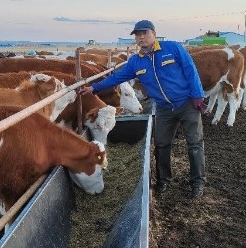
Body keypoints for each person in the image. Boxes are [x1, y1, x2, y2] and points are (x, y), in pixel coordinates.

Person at [79, 20, 207, 198]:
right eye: (138, 35)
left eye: (145, 33)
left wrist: (198, 95)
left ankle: (198, 182)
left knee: (194, 143)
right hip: (163, 108)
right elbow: (117, 77)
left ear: (154, 33)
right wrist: (94, 88)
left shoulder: (173, 48)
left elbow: (190, 70)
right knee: (161, 144)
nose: (141, 38)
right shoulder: (135, 62)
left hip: (186, 103)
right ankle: (163, 180)